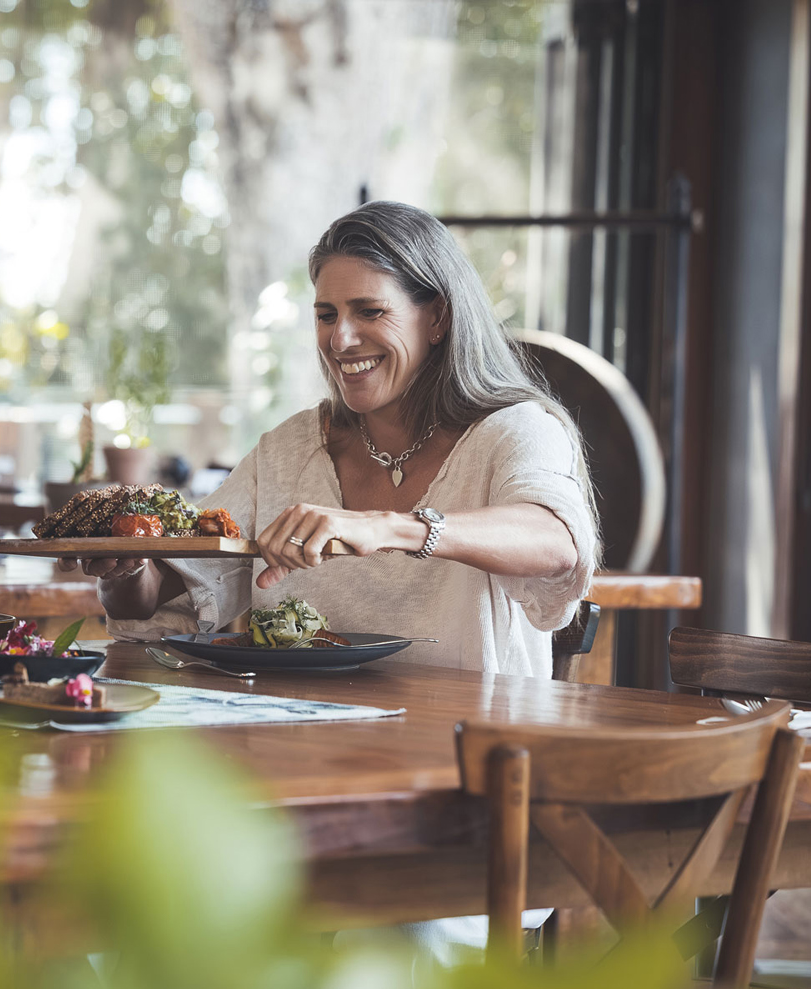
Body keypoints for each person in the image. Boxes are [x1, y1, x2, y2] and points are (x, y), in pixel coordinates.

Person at [81, 201, 597, 678]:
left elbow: (557, 542)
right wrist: (124, 569)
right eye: (326, 315)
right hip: (301, 744)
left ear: (437, 317)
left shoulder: (516, 429)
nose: (340, 339)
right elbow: (153, 597)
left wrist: (390, 527)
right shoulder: (290, 449)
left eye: (369, 312)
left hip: (463, 743)